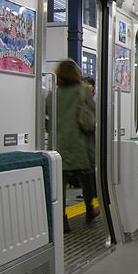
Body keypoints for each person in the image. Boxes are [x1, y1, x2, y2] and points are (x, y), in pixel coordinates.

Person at [47, 60, 99, 234]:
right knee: (86, 179)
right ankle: (90, 209)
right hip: (81, 145)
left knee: (60, 183)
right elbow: (91, 121)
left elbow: (48, 121)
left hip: (59, 146)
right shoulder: (83, 91)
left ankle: (62, 219)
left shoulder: (52, 94)